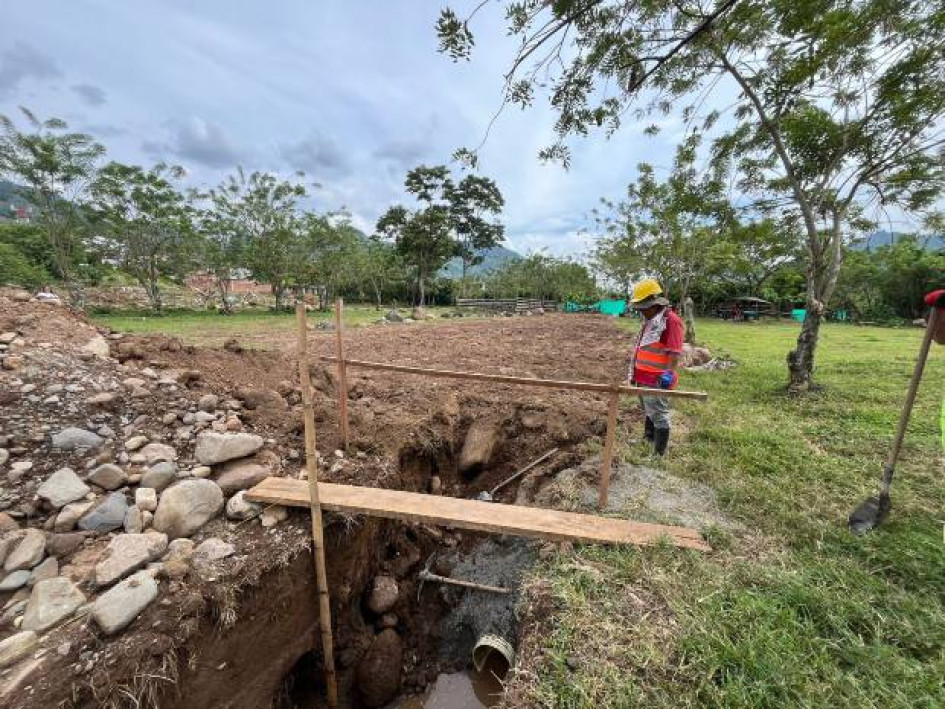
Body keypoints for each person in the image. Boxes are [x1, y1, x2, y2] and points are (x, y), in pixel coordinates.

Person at [628, 278, 684, 455]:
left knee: (659, 414)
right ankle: (648, 438)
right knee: (648, 410)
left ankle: (659, 453)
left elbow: (674, 352)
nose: (642, 312)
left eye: (644, 308)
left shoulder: (670, 321)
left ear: (655, 303)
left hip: (658, 379)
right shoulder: (651, 320)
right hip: (643, 376)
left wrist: (668, 374)